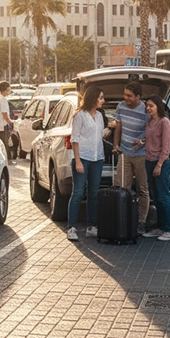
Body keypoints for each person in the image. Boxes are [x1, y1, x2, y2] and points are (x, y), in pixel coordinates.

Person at [66, 85, 106, 242]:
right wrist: (77, 161)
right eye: (101, 98)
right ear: (93, 98)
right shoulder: (80, 115)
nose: (103, 101)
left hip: (98, 158)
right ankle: (71, 227)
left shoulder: (100, 116)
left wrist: (110, 129)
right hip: (82, 158)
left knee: (93, 193)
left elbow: (99, 135)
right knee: (77, 193)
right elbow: (74, 138)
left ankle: (91, 226)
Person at [112, 81, 151, 235]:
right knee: (122, 188)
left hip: (141, 155)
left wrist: (143, 141)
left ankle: (141, 222)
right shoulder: (121, 107)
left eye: (129, 96)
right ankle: (124, 220)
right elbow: (118, 127)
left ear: (138, 97)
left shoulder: (146, 110)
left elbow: (152, 131)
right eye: (125, 94)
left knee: (143, 189)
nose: (126, 98)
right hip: (125, 153)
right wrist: (116, 145)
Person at [141, 95, 170, 241]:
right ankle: (160, 227)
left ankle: (169, 230)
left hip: (159, 163)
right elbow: (152, 140)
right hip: (149, 161)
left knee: (163, 196)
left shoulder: (164, 122)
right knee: (155, 196)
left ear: (158, 107)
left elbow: (166, 147)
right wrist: (141, 142)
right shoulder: (150, 122)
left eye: (151, 106)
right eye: (147, 106)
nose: (148, 108)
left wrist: (159, 165)